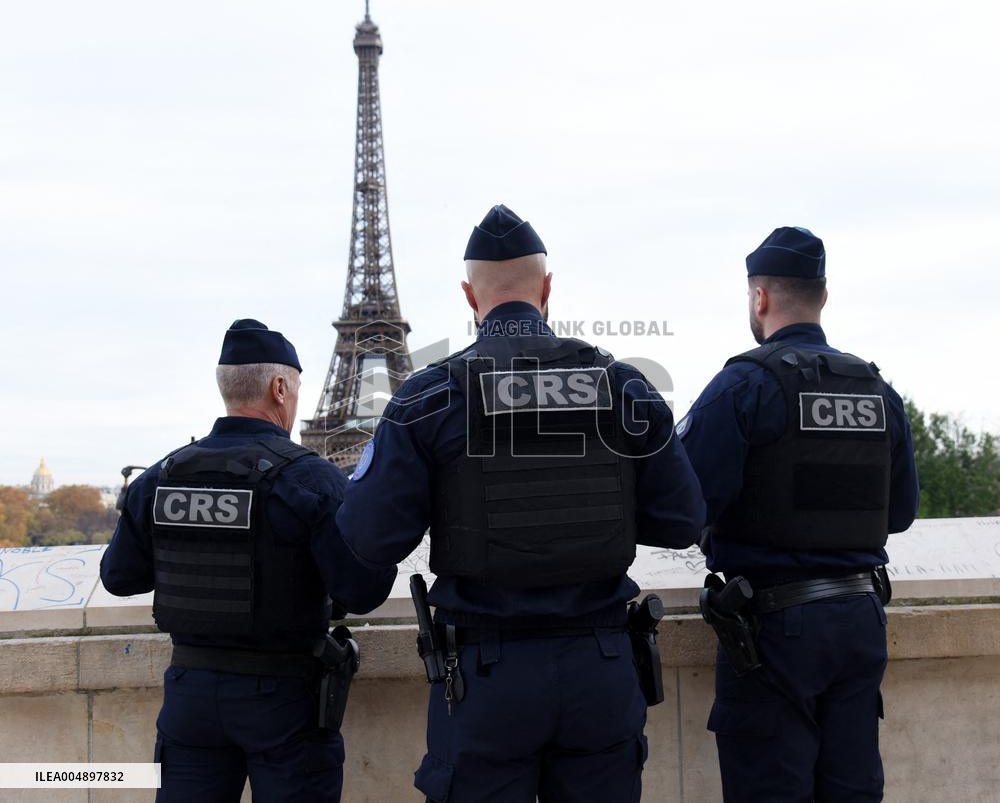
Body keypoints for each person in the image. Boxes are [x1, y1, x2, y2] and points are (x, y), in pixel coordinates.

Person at [334, 205, 706, 802]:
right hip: (602, 667)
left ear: (468, 296)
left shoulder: (429, 397)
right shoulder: (621, 384)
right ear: (548, 289)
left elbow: (370, 538)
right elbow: (684, 520)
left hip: (486, 680)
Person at [100, 319, 393, 803]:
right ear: (280, 388)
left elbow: (119, 578)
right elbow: (363, 591)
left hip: (190, 696)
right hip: (284, 699)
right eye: (296, 390)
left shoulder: (160, 476)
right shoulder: (312, 480)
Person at [679, 227, 920, 802]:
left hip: (774, 632)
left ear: (759, 298)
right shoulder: (875, 389)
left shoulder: (743, 386)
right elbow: (902, 512)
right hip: (860, 618)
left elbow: (682, 510)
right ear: (824, 295)